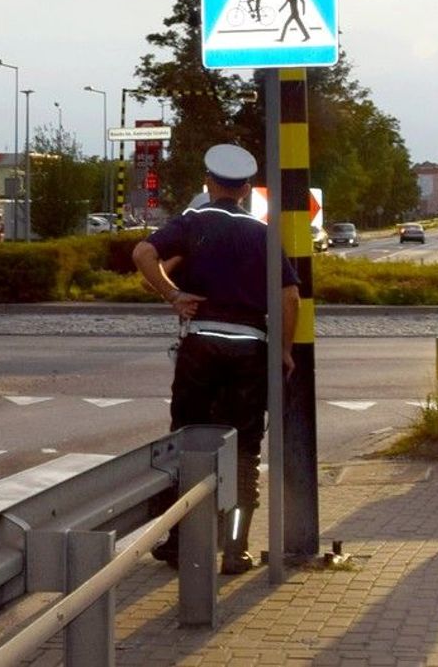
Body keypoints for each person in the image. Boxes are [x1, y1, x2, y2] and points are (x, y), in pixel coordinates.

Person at [132, 144, 301, 575]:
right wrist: (282, 350)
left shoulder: (192, 222)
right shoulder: (262, 233)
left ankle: (177, 542)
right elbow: (289, 296)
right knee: (245, 451)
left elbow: (142, 254)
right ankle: (235, 547)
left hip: (200, 345)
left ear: (208, 183)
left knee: (186, 442)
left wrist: (173, 295)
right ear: (245, 189)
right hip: (250, 349)